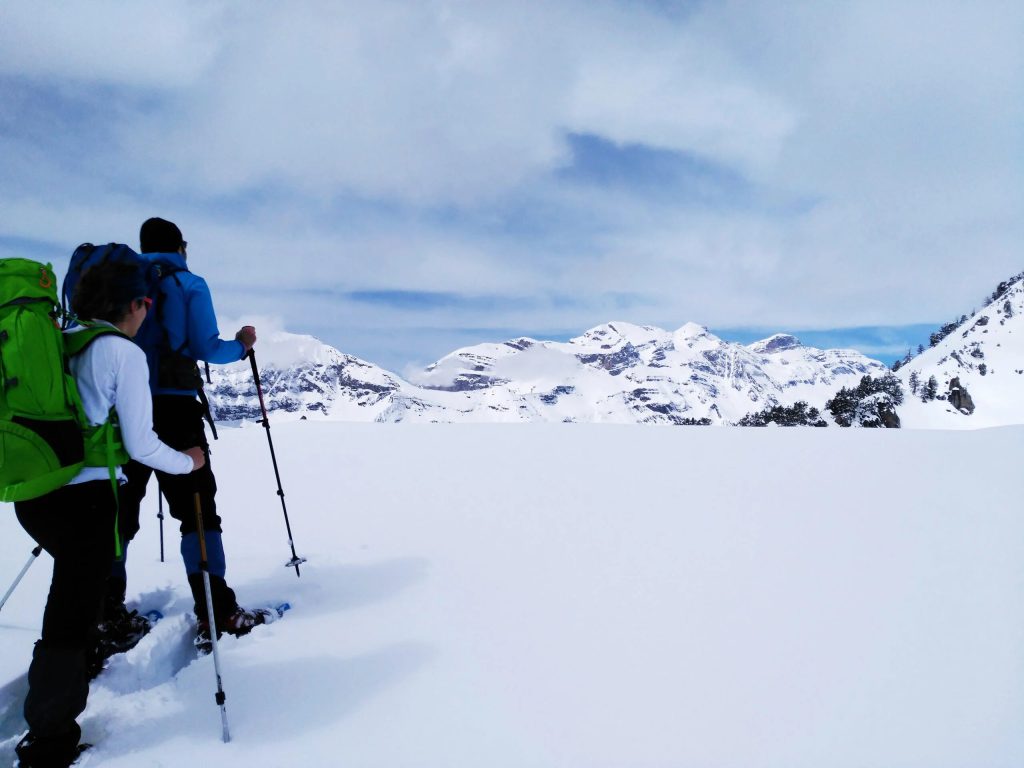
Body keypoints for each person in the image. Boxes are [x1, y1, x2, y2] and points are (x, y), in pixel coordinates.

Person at [14, 260, 204, 768]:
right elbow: (142, 444)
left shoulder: (60, 339)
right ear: (134, 305)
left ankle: (64, 690)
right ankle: (49, 739)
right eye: (146, 303)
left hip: (36, 493)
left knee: (71, 601)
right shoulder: (122, 352)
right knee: (69, 616)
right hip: (87, 502)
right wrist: (188, 462)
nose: (148, 311)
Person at [112, 217, 265, 646]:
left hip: (120, 407)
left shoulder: (119, 282)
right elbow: (205, 346)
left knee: (117, 511)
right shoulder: (188, 283)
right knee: (197, 511)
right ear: (180, 246)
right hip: (175, 408)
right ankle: (216, 612)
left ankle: (106, 616)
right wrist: (242, 346)